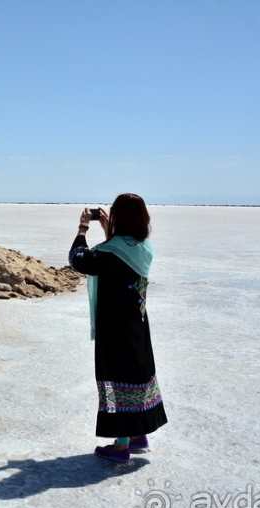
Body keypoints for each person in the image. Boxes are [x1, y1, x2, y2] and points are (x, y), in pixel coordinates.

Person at [68, 193, 167, 463]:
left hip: (115, 327)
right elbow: (119, 247)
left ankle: (121, 446)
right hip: (138, 324)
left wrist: (82, 228)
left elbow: (78, 260)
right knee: (136, 375)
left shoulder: (110, 251)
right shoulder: (143, 246)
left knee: (119, 376)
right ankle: (138, 434)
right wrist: (109, 229)